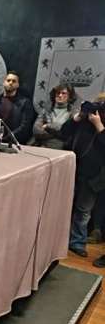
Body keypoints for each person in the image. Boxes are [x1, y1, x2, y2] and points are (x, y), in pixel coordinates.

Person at [60, 94, 105, 259]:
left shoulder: (98, 123)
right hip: (72, 168)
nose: (97, 108)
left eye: (101, 105)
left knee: (83, 211)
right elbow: (63, 132)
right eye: (96, 104)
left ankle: (77, 243)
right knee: (64, 206)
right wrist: (78, 117)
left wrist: (99, 125)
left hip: (94, 174)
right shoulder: (84, 120)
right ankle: (58, 239)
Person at [0, 71, 36, 145]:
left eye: (14, 81)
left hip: (13, 143)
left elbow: (25, 126)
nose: (10, 83)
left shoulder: (25, 103)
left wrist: (9, 137)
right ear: (4, 82)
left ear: (18, 85)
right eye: (8, 80)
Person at [31, 84, 79, 149]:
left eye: (63, 93)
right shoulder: (46, 111)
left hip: (61, 149)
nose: (60, 95)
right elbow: (36, 130)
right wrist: (57, 133)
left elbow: (67, 132)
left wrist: (48, 126)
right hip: (41, 147)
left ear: (69, 96)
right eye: (58, 93)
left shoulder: (73, 112)